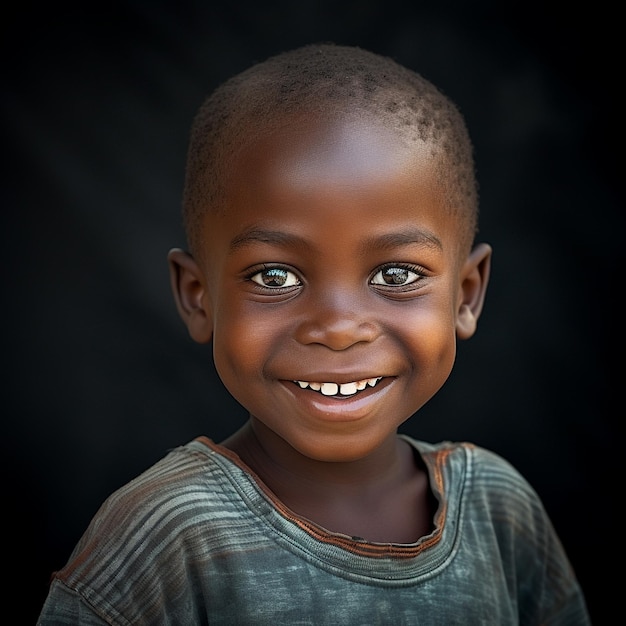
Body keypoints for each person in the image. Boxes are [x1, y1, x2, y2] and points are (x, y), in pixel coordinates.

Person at [37, 43, 590, 625]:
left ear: (466, 293)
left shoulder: (500, 512)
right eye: (274, 276)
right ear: (198, 297)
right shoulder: (165, 535)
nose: (338, 329)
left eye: (396, 274)